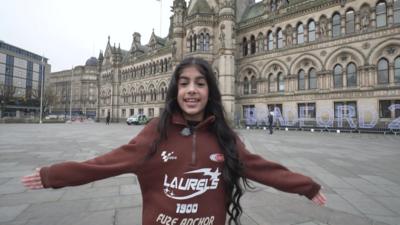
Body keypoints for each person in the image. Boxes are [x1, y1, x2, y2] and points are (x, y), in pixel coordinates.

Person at [21, 57, 326, 225]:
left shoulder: (224, 136)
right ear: (175, 91)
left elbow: (260, 167)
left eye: (200, 83)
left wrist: (305, 186)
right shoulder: (156, 132)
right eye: (184, 84)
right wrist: (52, 175)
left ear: (210, 92)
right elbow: (104, 164)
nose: (191, 91)